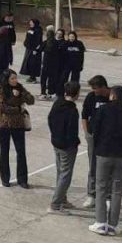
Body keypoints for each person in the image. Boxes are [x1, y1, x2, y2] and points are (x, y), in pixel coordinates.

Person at [89, 85, 122, 236]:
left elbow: (94, 129)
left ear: (113, 96)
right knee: (117, 191)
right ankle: (113, 224)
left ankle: (101, 222)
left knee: (101, 188)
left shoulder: (104, 110)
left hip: (104, 153)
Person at [0, 69, 34, 188]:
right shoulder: (1, 90)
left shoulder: (20, 88)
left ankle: (22, 179)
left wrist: (21, 94)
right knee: (4, 151)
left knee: (21, 152)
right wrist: (18, 108)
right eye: (12, 78)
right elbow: (2, 107)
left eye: (16, 78)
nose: (15, 80)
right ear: (7, 79)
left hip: (18, 125)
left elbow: (31, 100)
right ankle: (5, 178)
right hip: (3, 125)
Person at [48, 81, 81, 213]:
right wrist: (73, 143)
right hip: (67, 146)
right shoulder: (72, 110)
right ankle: (55, 204)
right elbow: (72, 131)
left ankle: (62, 198)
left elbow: (50, 119)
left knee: (60, 172)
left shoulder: (57, 104)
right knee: (65, 174)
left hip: (56, 142)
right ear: (77, 94)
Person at [81, 75, 111, 208]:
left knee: (108, 167)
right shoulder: (91, 97)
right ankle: (91, 194)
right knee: (93, 166)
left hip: (108, 138)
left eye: (96, 89)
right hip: (94, 136)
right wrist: (87, 133)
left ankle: (107, 196)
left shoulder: (112, 97)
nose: (94, 91)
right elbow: (84, 115)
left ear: (103, 87)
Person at [39, 27, 59, 100]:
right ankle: (51, 92)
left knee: (43, 79)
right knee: (52, 79)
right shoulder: (56, 43)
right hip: (54, 64)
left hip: (46, 64)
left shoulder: (45, 42)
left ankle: (43, 93)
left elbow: (39, 50)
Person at [20, 19, 43, 83]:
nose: (30, 23)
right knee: (28, 62)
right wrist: (25, 43)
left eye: (31, 22)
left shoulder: (38, 30)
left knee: (33, 63)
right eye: (30, 22)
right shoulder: (30, 29)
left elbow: (39, 41)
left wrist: (36, 49)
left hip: (34, 50)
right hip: (29, 48)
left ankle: (33, 77)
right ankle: (30, 76)